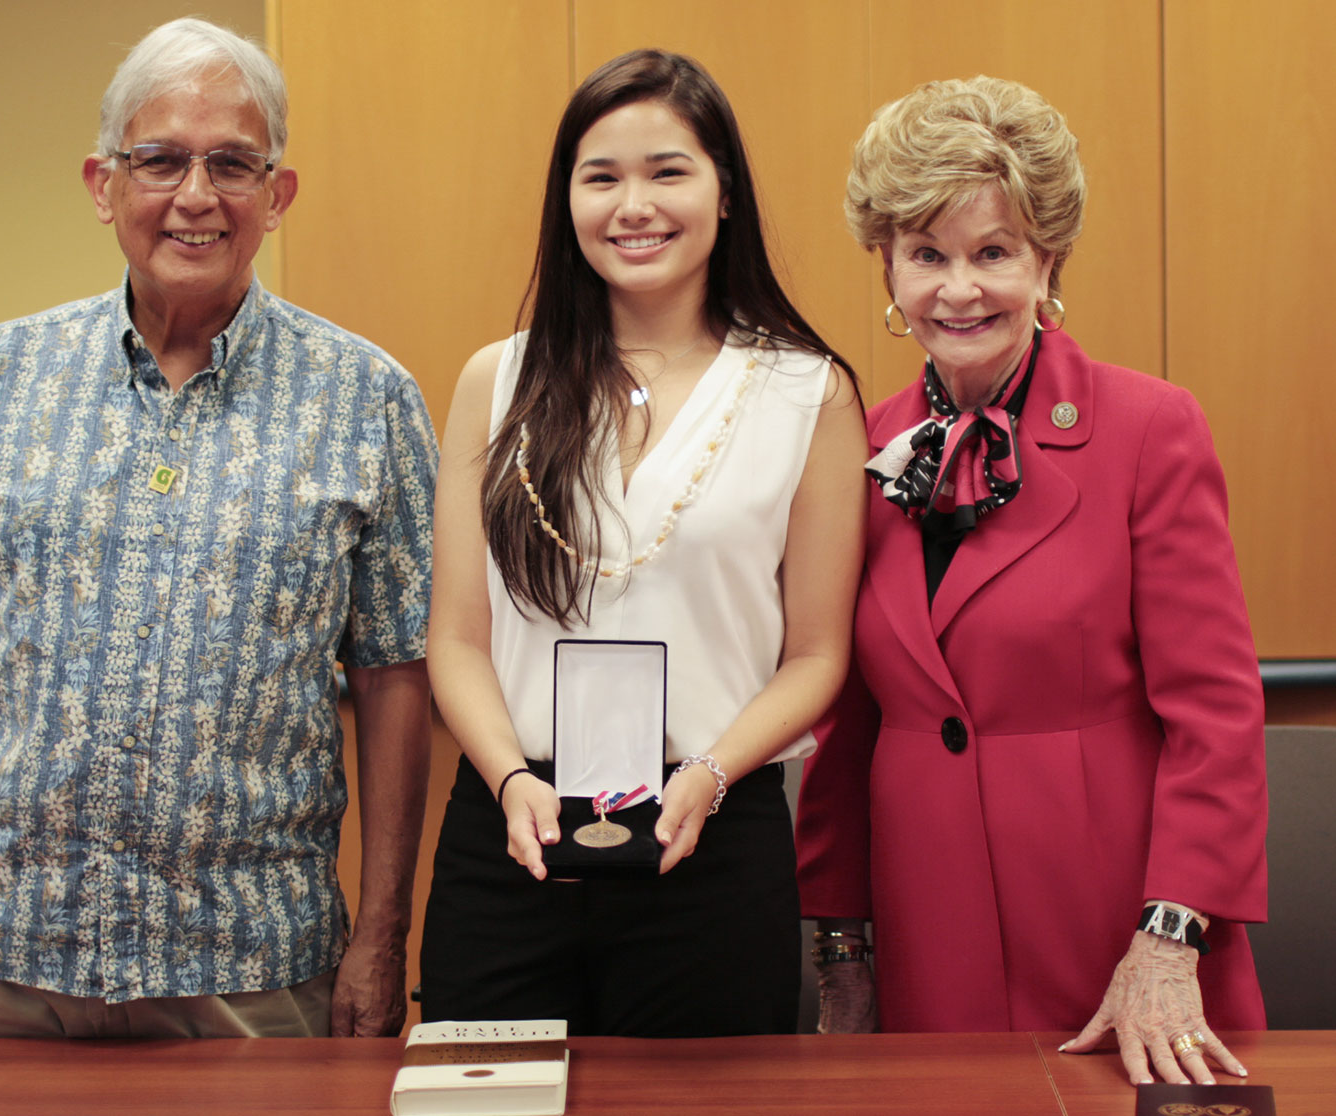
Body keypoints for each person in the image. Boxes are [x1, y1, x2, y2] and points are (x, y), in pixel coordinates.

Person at [0, 17, 437, 1039]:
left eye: (233, 164)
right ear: (102, 184)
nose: (196, 195)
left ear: (277, 195)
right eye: (159, 159)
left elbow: (397, 681)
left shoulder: (369, 398)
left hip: (251, 960)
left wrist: (382, 936)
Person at [795, 76, 1267, 1083]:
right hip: (932, 935)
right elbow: (846, 731)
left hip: (1120, 933)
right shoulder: (858, 446)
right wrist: (842, 953)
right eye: (927, 256)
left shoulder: (1150, 430)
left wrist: (1169, 941)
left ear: (1047, 262)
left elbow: (1217, 715)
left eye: (993, 253)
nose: (957, 291)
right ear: (887, 267)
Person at [419, 48, 867, 1038]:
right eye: (602, 177)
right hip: (514, 827)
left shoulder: (807, 393)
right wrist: (512, 782)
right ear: (566, 201)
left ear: (724, 193)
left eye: (668, 171)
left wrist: (708, 775)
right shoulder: (496, 380)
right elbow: (454, 638)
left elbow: (817, 653)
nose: (636, 206)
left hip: (711, 828)